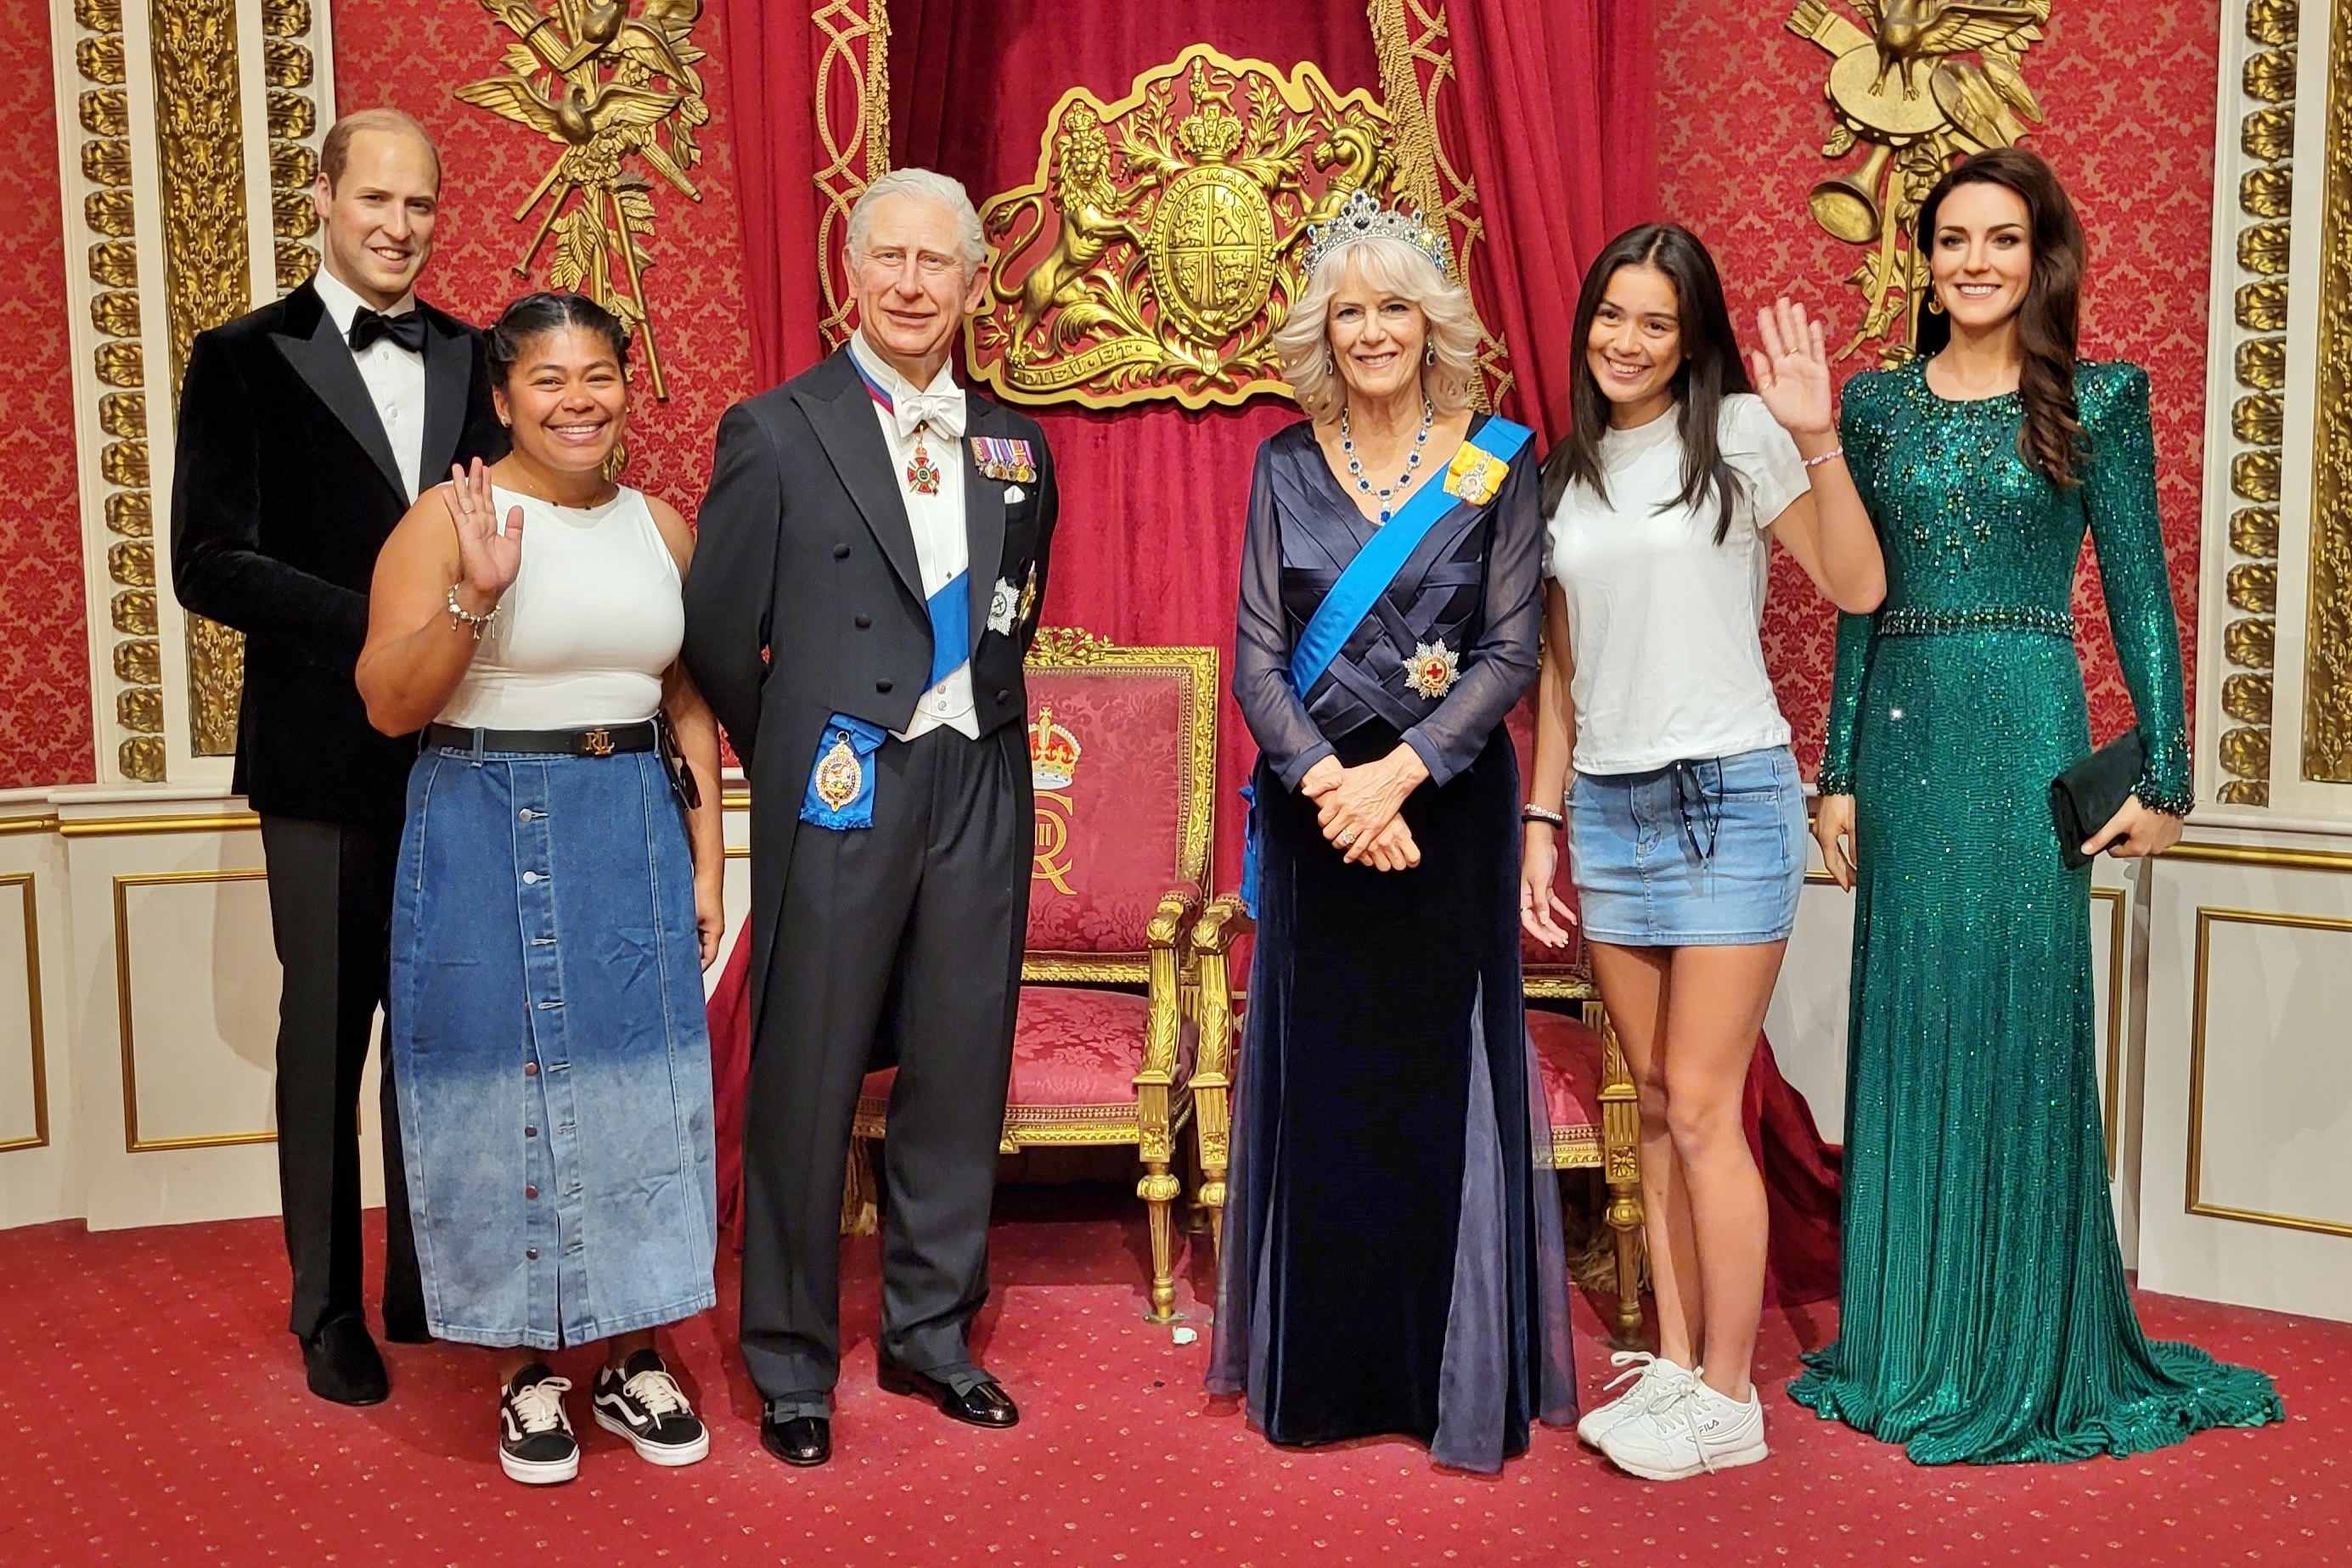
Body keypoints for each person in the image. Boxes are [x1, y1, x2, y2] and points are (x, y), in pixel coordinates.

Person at [1788, 148, 2284, 1461]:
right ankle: (1909, 1336)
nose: (1974, 262)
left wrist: (2168, 777)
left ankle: (2019, 1341)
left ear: (2040, 255)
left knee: (2016, 1019)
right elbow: (1858, 602)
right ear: (1922, 260)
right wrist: (1836, 771)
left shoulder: (2097, 400)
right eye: (1952, 239)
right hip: (1903, 737)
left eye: (2000, 239)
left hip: (2023, 727)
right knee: (1911, 1016)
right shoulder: (1873, 406)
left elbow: (2139, 593)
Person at [682, 168, 1060, 1471]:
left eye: (934, 262)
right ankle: (789, 1359)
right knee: (809, 1068)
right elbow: (717, 634)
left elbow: (1014, 615)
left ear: (972, 283)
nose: (909, 284)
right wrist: (802, 744)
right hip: (838, 780)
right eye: (887, 259)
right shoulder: (777, 428)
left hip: (979, 773)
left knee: (959, 1060)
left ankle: (930, 1333)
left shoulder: (1015, 444)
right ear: (851, 273)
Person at [1208, 188, 1574, 1473]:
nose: (1371, 332)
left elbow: (1512, 650)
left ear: (1433, 324)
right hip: (1320, 817)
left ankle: (1447, 1377)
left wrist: (1400, 776)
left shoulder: (1497, 459)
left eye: (1394, 309)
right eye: (1348, 311)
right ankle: (1326, 1375)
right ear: (1323, 331)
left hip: (1449, 811)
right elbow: (1255, 657)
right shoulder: (1284, 464)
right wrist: (1331, 784)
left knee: (1439, 1086)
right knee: (1330, 1087)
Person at [1518, 225, 1887, 1481]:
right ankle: (1676, 1363)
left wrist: (1816, 434)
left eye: (1655, 323)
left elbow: (1855, 583)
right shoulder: (1563, 476)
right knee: (1657, 1103)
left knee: (1706, 1102)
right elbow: (1560, 674)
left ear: (1691, 341)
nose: (1625, 342)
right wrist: (1541, 822)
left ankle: (1730, 1398)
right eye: (1609, 317)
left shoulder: (1736, 434)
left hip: (1728, 795)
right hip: (1610, 809)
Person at [355, 292, 725, 1485]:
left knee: (641, 1088)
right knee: (498, 1090)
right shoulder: (446, 519)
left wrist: (710, 860)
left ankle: (633, 1353)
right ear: (504, 398)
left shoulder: (660, 527)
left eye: (599, 375)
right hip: (480, 819)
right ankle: (522, 1368)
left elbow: (684, 699)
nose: (579, 401)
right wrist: (476, 596)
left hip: (629, 823)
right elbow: (388, 704)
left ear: (626, 386)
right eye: (550, 380)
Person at [170, 108, 506, 1407]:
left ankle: (428, 1284)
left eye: (419, 205)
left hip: (462, 755)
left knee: (443, 1028)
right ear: (320, 196)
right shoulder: (242, 357)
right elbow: (210, 562)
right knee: (326, 1031)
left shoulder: (480, 356)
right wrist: (386, 630)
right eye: (374, 198)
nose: (397, 226)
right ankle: (326, 1309)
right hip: (317, 756)